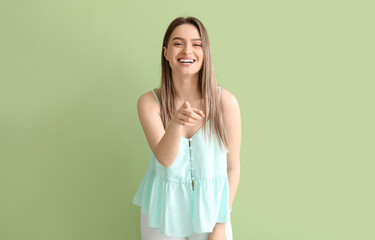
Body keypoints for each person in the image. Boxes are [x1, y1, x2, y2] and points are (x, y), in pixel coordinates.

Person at [132, 16, 241, 240]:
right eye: (178, 43)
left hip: (212, 213)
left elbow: (233, 168)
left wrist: (221, 225)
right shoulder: (149, 103)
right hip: (162, 212)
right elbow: (165, 159)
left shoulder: (226, 103)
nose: (187, 51)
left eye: (196, 44)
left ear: (205, 53)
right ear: (166, 53)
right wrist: (176, 124)